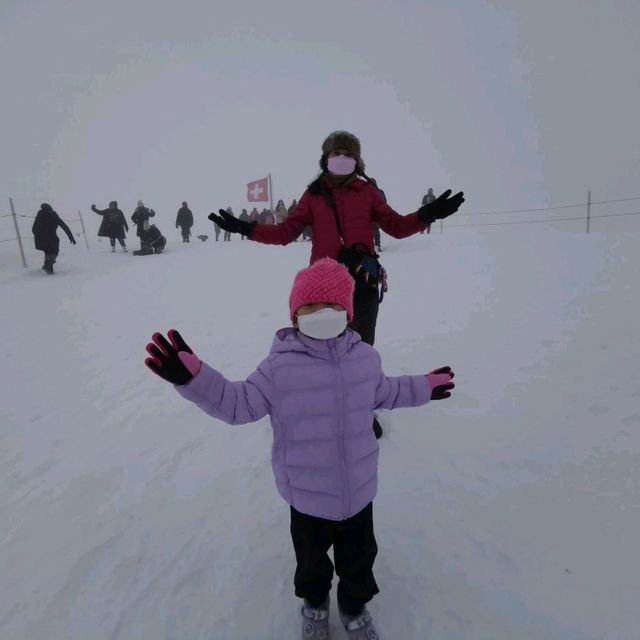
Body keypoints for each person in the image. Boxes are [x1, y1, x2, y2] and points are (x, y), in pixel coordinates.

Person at [144, 258, 456, 640]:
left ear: (348, 311)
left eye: (332, 306)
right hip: (306, 498)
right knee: (311, 564)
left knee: (359, 561)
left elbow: (388, 390)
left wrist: (424, 386)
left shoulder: (364, 360)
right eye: (310, 306)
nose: (321, 313)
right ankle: (314, 603)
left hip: (358, 493)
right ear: (295, 315)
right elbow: (238, 403)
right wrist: (196, 379)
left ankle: (354, 608)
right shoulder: (279, 368)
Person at [209, 130, 464, 438]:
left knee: (360, 348)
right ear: (325, 158)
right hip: (323, 284)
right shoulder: (313, 195)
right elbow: (286, 233)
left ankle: (361, 407)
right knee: (319, 346)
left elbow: (396, 226)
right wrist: (247, 228)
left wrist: (427, 214)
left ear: (357, 160)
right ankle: (318, 404)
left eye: (348, 154)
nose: (341, 158)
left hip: (363, 280)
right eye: (336, 153)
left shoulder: (368, 192)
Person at [32, 203, 76, 274]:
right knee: (54, 252)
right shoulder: (53, 215)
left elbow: (33, 229)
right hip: (52, 239)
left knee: (48, 253)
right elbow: (64, 226)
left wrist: (38, 237)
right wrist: (71, 238)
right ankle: (47, 265)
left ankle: (49, 271)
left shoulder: (39, 216)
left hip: (40, 240)